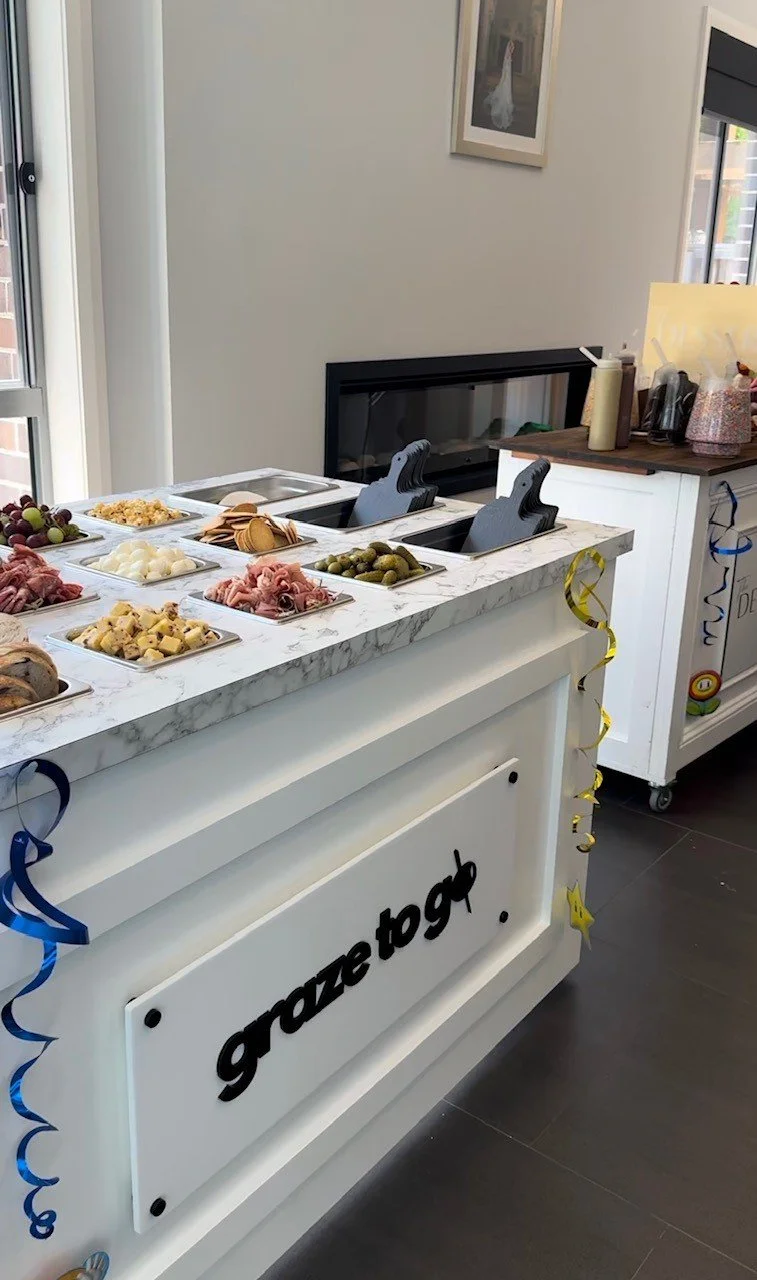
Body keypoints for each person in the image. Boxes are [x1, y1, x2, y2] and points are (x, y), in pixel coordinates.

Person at [485, 39, 515, 132]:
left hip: (508, 77)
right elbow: (506, 68)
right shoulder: (507, 57)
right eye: (510, 47)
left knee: (506, 90)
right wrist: (505, 78)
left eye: (511, 48)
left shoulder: (509, 55)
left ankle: (506, 100)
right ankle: (503, 104)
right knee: (504, 89)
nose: (511, 49)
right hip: (506, 76)